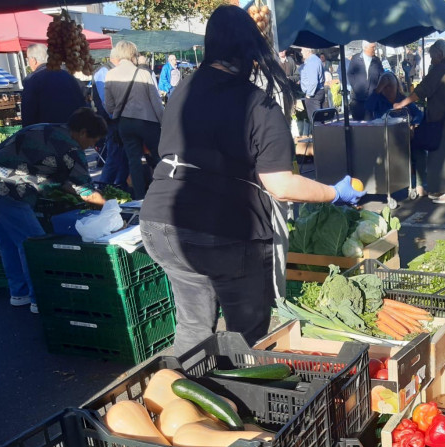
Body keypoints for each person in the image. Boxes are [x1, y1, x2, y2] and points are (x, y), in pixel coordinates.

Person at [139, 5, 365, 353]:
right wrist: (333, 193)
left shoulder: (183, 89)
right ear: (251, 49)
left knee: (193, 326)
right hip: (222, 232)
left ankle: (190, 393)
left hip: (160, 224)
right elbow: (280, 185)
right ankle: (242, 397)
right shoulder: (256, 104)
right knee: (249, 331)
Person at [0, 108, 107, 313]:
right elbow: (86, 191)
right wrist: (111, 207)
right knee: (33, 243)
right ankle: (40, 299)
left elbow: (55, 177)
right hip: (7, 188)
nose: (92, 146)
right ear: (83, 132)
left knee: (7, 240)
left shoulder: (44, 128)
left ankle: (19, 293)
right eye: (93, 140)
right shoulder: (71, 148)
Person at [395, 39, 445, 204]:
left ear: (439, 55)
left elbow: (423, 90)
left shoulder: (442, 69)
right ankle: (441, 189)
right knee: (444, 154)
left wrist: (401, 104)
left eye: (433, 57)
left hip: (443, 120)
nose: (432, 60)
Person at [105, 40, 164, 200]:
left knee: (134, 161)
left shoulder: (110, 75)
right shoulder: (143, 73)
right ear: (133, 54)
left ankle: (139, 198)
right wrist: (164, 122)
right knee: (159, 157)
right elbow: (156, 102)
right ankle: (165, 191)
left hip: (124, 123)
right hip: (147, 121)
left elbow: (109, 107)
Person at [21, 43, 86, 127]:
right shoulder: (67, 76)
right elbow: (81, 101)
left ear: (33, 60)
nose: (28, 62)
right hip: (73, 130)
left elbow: (28, 114)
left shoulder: (32, 80)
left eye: (28, 59)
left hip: (48, 131)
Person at [91, 56, 130, 189]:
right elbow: (106, 102)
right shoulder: (104, 72)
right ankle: (103, 189)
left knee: (123, 156)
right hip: (111, 121)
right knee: (114, 157)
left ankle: (119, 187)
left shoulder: (110, 71)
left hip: (117, 120)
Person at [347, 41, 384, 121]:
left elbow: (382, 75)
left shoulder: (377, 61)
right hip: (358, 99)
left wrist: (377, 90)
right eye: (372, 47)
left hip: (373, 98)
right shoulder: (355, 59)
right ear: (365, 48)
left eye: (375, 47)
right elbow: (350, 74)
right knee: (358, 125)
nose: (374, 49)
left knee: (371, 125)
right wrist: (355, 86)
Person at [299, 47, 326, 130]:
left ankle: (320, 140)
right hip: (318, 91)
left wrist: (309, 94)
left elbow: (313, 82)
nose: (301, 52)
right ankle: (322, 139)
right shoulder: (316, 60)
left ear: (308, 51)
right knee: (319, 120)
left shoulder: (311, 62)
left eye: (302, 50)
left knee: (316, 122)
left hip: (313, 94)